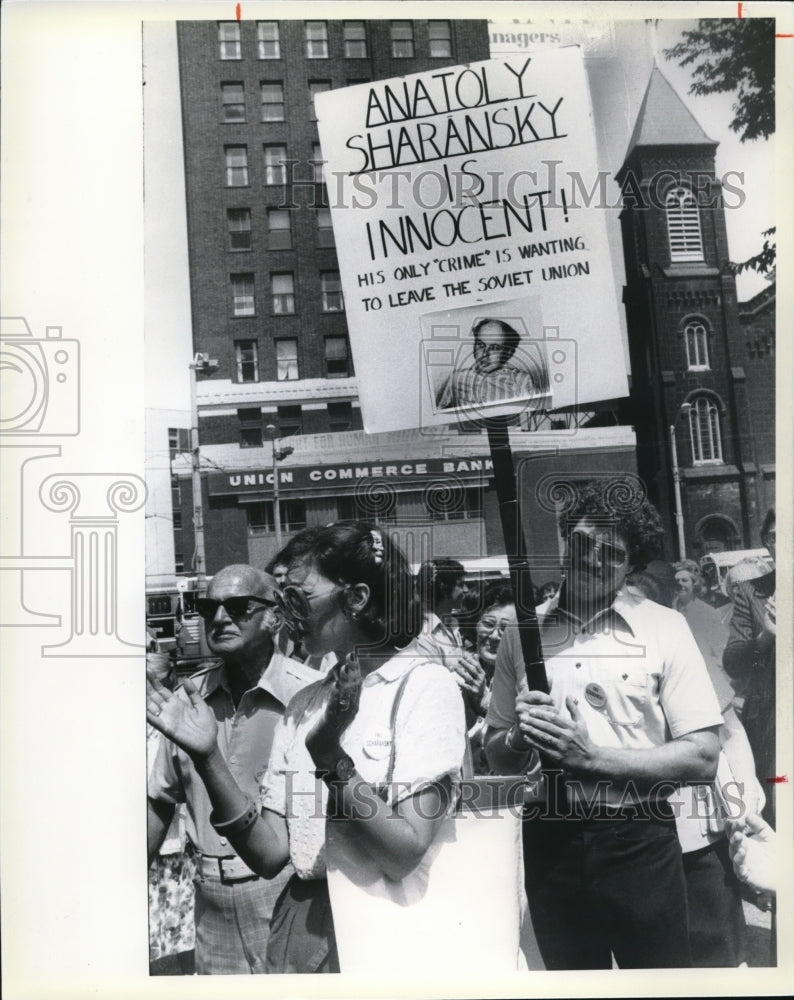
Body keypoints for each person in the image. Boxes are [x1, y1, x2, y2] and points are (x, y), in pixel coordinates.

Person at [147, 524, 467, 974]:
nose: (286, 613)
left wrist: (331, 759)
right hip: (303, 924)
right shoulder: (305, 703)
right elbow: (269, 852)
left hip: (385, 926)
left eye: (297, 597)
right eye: (281, 598)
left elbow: (404, 851)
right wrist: (207, 758)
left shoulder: (424, 686)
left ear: (356, 599)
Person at [484, 479, 723, 969]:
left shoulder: (663, 627)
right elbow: (495, 752)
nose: (593, 559)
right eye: (583, 543)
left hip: (638, 838)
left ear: (630, 565)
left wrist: (590, 758)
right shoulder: (520, 635)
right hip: (549, 841)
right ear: (565, 541)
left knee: (659, 981)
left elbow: (703, 756)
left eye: (611, 553)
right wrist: (516, 736)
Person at [147, 564, 319, 974]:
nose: (219, 618)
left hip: (287, 892)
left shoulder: (310, 695)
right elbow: (159, 801)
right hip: (210, 904)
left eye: (238, 606)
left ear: (275, 616)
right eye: (208, 608)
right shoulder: (188, 701)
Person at [630, 561, 761, 967]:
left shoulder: (686, 657)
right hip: (637, 837)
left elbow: (733, 734)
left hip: (699, 833)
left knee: (716, 944)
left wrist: (743, 804)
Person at [723, 507, 777, 826]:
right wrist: (764, 637)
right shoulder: (751, 591)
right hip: (772, 720)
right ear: (766, 544)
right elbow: (733, 663)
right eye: (774, 536)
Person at [435, 318, 548, 410]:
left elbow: (535, 411)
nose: (485, 354)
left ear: (508, 353)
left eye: (494, 348)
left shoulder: (520, 381)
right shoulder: (456, 378)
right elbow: (441, 413)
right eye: (480, 345)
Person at [463, 584, 517, 775]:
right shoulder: (457, 674)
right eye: (488, 624)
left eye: (505, 629)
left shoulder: (525, 682)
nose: (494, 636)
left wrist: (485, 705)